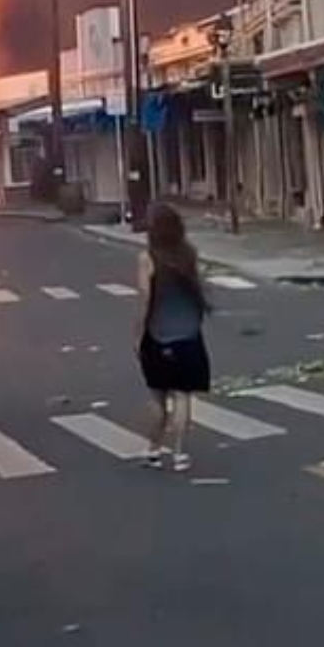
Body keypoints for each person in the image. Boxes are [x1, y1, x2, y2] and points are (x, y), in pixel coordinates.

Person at [133, 201, 213, 472]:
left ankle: (153, 450)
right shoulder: (189, 254)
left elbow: (145, 299)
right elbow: (198, 290)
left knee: (157, 397)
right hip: (189, 334)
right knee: (182, 396)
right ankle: (180, 454)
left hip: (158, 334)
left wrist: (137, 333)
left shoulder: (147, 258)